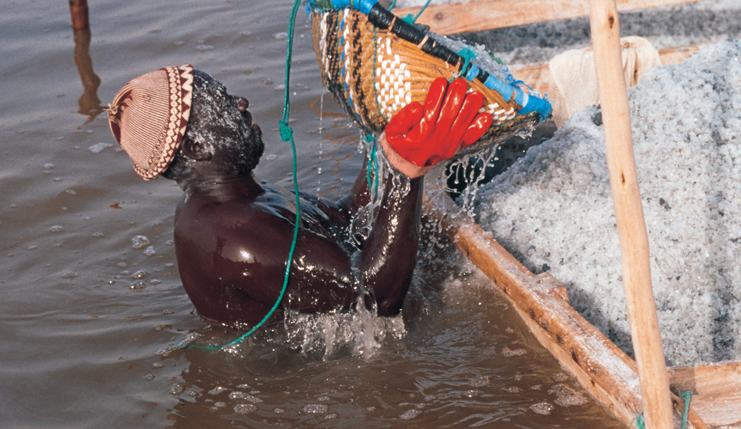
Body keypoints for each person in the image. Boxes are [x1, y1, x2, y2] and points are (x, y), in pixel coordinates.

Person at [108, 64, 492, 328]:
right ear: (195, 147)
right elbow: (373, 298)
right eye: (224, 102)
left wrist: (388, 153)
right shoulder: (230, 233)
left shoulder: (242, 200)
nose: (241, 103)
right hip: (291, 381)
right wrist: (409, 173)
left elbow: (348, 223)